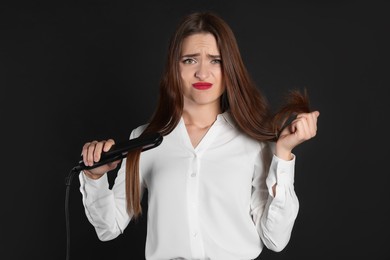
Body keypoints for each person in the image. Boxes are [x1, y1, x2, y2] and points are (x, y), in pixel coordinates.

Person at [79, 11, 320, 260]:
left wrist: (283, 154)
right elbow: (108, 228)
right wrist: (94, 176)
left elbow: (275, 239)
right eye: (190, 60)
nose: (203, 73)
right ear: (174, 67)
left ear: (230, 69)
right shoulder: (144, 139)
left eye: (215, 60)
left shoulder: (254, 142)